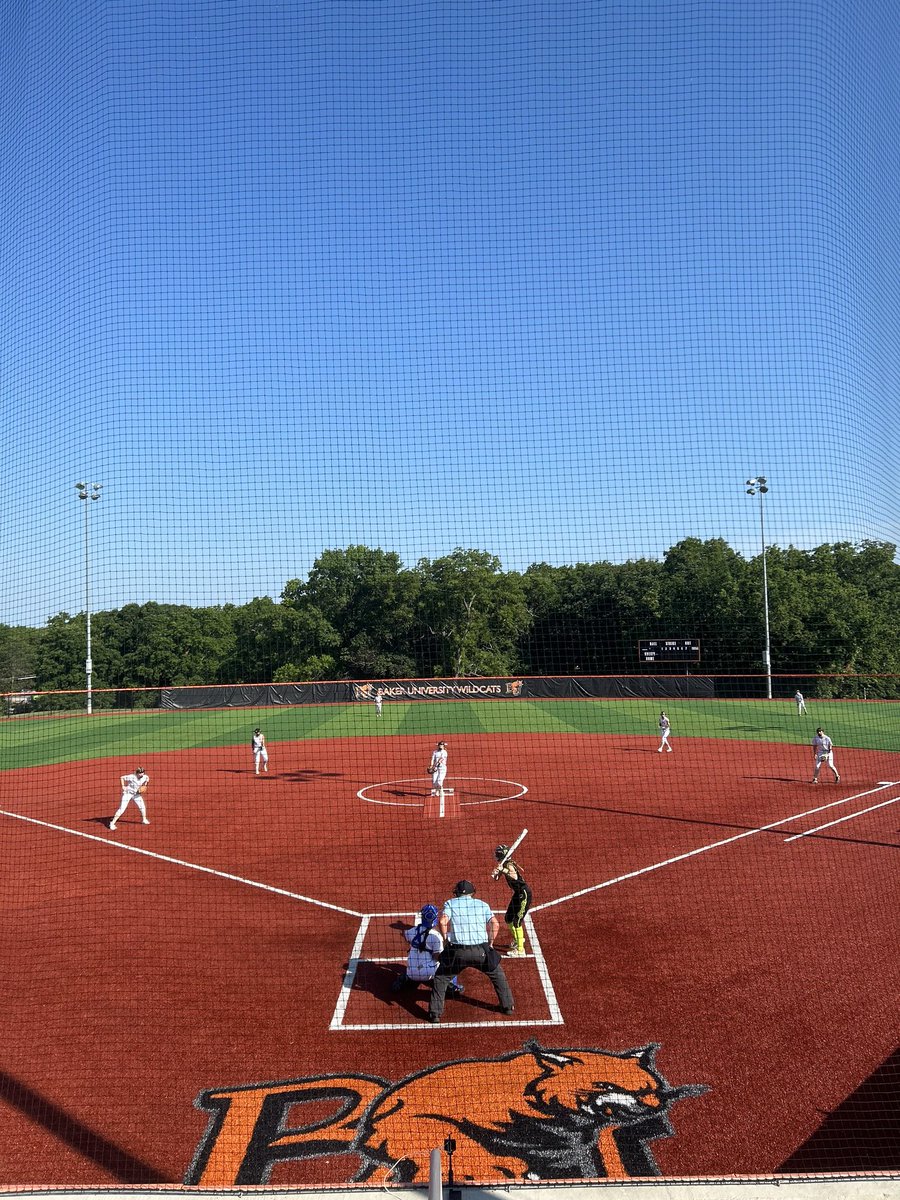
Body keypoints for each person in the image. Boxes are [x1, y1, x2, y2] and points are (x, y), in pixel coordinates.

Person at [428, 880, 514, 1024]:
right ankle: (508, 1007)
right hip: (481, 951)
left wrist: (445, 940)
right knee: (497, 974)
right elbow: (495, 923)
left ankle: (435, 1014)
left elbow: (442, 922)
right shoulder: (482, 904)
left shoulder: (450, 903)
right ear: (472, 892)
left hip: (458, 952)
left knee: (441, 979)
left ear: (456, 893)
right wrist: (490, 943)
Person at [391, 904, 462, 996]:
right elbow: (437, 957)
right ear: (435, 918)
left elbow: (404, 934)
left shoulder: (412, 931)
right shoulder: (436, 937)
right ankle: (451, 986)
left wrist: (414, 945)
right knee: (449, 961)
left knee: (414, 963)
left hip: (411, 973)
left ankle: (404, 978)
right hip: (429, 974)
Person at [492, 844, 533, 958]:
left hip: (523, 894)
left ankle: (520, 950)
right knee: (508, 918)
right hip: (517, 894)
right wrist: (496, 873)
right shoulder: (504, 864)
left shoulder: (509, 865)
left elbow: (514, 876)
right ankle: (517, 940)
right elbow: (496, 878)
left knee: (517, 922)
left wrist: (502, 869)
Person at [109, 766, 150, 831]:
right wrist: (123, 786)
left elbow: (147, 779)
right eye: (140, 773)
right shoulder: (132, 777)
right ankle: (112, 823)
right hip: (128, 794)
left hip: (136, 795)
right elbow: (122, 778)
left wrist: (145, 785)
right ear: (137, 773)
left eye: (143, 772)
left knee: (142, 807)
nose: (142, 774)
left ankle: (144, 819)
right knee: (122, 809)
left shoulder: (145, 777)